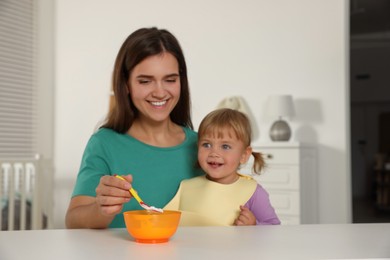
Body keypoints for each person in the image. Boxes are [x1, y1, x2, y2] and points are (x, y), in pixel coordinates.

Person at [65, 27, 204, 229]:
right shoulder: (104, 143)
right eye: (145, 81)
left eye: (170, 80)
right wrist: (100, 208)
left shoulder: (203, 147)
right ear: (126, 84)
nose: (159, 92)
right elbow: (73, 222)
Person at [164, 108, 281, 226]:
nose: (214, 153)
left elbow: (274, 227)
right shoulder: (186, 187)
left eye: (225, 146)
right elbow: (166, 220)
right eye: (207, 144)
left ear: (244, 155)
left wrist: (254, 225)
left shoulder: (253, 192)